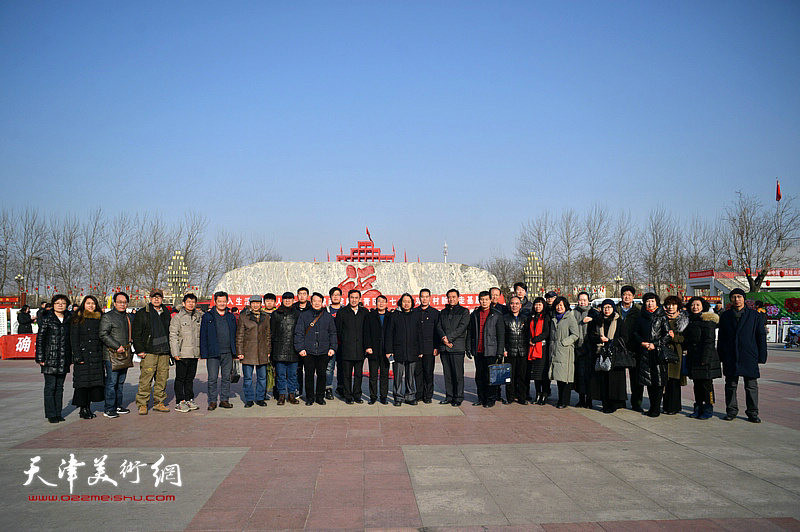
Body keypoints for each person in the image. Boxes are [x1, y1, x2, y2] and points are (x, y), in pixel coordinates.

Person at [718, 288, 767, 423]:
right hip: (731, 355)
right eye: (734, 297)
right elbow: (721, 337)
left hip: (749, 355)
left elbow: (760, 336)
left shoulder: (754, 315)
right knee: (730, 385)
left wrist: (762, 356)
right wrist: (720, 355)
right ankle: (731, 411)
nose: (736, 299)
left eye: (739, 297)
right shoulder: (726, 316)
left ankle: (752, 413)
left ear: (744, 299)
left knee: (751, 385)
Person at [131, 289, 172, 415]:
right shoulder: (142, 313)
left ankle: (159, 402)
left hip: (164, 351)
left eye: (159, 297)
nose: (156, 299)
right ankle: (142, 404)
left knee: (162, 378)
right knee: (146, 378)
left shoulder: (166, 313)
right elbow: (136, 334)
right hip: (149, 351)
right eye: (154, 297)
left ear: (162, 299)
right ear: (150, 298)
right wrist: (140, 350)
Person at [294, 292, 337, 406]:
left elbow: (333, 333)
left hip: (324, 350)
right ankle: (309, 398)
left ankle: (320, 397)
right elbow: (299, 333)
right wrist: (300, 348)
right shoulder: (304, 316)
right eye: (315, 301)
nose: (317, 303)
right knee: (309, 375)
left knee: (322, 375)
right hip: (308, 351)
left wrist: (332, 347)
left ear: (322, 302)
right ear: (311, 302)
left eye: (319, 301)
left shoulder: (327, 316)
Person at [632, 293, 670, 417]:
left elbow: (667, 334)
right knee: (648, 380)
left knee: (658, 381)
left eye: (652, 301)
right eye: (647, 301)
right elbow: (635, 333)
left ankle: (656, 408)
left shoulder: (662, 317)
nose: (650, 303)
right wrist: (642, 343)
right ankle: (652, 407)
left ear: (657, 303)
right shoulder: (641, 317)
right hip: (644, 353)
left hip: (657, 353)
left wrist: (655, 344)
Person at [683, 296, 721, 420]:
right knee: (696, 384)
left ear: (703, 307)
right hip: (693, 357)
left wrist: (705, 359)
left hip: (705, 358)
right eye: (693, 305)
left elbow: (709, 342)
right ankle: (698, 406)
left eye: (698, 305)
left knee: (707, 385)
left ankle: (708, 407)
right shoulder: (689, 321)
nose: (695, 307)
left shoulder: (707, 321)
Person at [588, 299, 629, 413]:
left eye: (609, 307)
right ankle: (605, 403)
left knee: (614, 381)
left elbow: (625, 338)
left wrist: (611, 341)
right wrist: (599, 339)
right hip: (601, 354)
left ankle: (614, 403)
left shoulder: (618, 321)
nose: (607, 310)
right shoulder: (598, 321)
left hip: (614, 355)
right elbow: (590, 336)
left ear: (613, 308)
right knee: (603, 380)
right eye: (605, 307)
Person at [35, 294, 71, 423]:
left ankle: (58, 412)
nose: (60, 305)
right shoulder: (47, 318)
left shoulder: (69, 319)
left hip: (63, 358)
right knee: (50, 386)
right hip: (49, 358)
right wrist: (40, 357)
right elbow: (40, 339)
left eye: (63, 303)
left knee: (60, 387)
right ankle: (51, 414)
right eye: (57, 303)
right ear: (53, 305)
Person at [200, 291, 238, 410]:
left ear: (227, 302)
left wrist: (235, 352)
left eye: (224, 301)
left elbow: (235, 334)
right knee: (212, 378)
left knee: (226, 377)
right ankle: (212, 401)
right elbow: (203, 335)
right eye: (219, 301)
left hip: (227, 352)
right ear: (215, 302)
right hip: (213, 352)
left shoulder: (231, 316)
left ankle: (224, 400)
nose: (222, 303)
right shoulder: (208, 316)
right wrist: (204, 352)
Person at [467, 291, 505, 408]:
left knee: (491, 376)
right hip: (478, 351)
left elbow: (501, 334)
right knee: (479, 376)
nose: (484, 302)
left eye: (486, 299)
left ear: (490, 300)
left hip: (491, 351)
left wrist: (499, 352)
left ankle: (490, 399)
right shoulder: (474, 314)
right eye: (482, 300)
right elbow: (470, 332)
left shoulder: (496, 315)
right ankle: (481, 398)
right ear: (479, 300)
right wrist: (468, 347)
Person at [69, 295, 104, 420]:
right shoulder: (77, 319)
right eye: (88, 303)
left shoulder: (100, 319)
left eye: (93, 303)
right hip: (83, 356)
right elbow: (74, 339)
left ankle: (88, 407)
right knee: (82, 384)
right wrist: (77, 356)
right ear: (83, 304)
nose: (91, 306)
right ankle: (83, 408)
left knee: (93, 384)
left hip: (95, 356)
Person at [99, 292, 132, 418]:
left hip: (125, 354)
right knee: (111, 382)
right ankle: (109, 408)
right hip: (111, 355)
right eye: (120, 302)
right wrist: (116, 346)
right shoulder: (108, 317)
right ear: (114, 303)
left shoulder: (127, 317)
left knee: (121, 382)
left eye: (124, 302)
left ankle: (118, 405)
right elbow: (103, 334)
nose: (122, 304)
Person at [236, 295, 272, 407]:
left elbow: (267, 335)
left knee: (262, 377)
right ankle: (249, 399)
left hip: (262, 351)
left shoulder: (265, 317)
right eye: (253, 303)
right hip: (248, 351)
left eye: (258, 303)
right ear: (250, 304)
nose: (255, 305)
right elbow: (240, 335)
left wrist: (268, 349)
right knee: (248, 378)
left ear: (261, 304)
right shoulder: (244, 317)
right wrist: (240, 351)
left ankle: (260, 398)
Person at [386, 293, 421, 406]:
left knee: (410, 375)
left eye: (408, 301)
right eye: (404, 301)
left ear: (412, 303)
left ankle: (410, 396)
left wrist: (420, 350)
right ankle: (398, 397)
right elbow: (389, 333)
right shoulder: (395, 315)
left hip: (412, 350)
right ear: (400, 302)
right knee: (398, 375)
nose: (406, 304)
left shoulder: (416, 315)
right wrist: (389, 350)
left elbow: (419, 333)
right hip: (398, 350)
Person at [170, 293, 203, 413]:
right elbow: (173, 336)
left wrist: (199, 352)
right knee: (180, 378)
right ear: (183, 303)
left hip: (194, 353)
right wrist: (175, 352)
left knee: (190, 378)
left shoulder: (198, 317)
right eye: (188, 301)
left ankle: (189, 399)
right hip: (182, 353)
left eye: (193, 302)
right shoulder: (177, 318)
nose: (191, 304)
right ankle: (180, 401)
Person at [436, 289, 470, 406]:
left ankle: (458, 397)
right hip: (445, 348)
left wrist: (449, 338)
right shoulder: (443, 312)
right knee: (448, 374)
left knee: (458, 374)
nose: (451, 299)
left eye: (454, 297)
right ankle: (449, 396)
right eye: (449, 297)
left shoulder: (464, 311)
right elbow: (438, 326)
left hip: (457, 347)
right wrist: (444, 339)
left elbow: (462, 327)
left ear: (458, 298)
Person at [336, 289, 368, 404]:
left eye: (356, 298)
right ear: (348, 298)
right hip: (346, 349)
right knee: (347, 375)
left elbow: (366, 330)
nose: (354, 300)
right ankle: (348, 396)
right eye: (352, 297)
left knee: (359, 375)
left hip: (360, 349)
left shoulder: (364, 312)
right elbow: (339, 330)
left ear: (359, 299)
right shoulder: (342, 312)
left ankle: (357, 395)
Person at [549, 296, 579, 408]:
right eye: (557, 305)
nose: (559, 307)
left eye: (561, 305)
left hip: (565, 351)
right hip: (555, 350)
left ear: (566, 306)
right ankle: (560, 399)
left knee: (565, 378)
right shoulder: (554, 318)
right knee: (558, 377)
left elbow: (575, 334)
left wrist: (564, 342)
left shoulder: (570, 318)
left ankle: (564, 401)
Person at [618, 285, 643, 411]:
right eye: (624, 294)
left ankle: (637, 402)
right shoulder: (615, 309)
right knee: (618, 376)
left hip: (634, 349)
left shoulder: (638, 311)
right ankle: (620, 400)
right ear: (621, 296)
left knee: (636, 378)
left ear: (633, 297)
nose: (626, 297)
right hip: (618, 348)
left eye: (629, 295)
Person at [573, 292, 599, 408]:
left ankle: (589, 399)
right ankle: (581, 398)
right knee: (579, 375)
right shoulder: (573, 313)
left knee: (589, 375)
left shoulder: (593, 312)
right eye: (580, 300)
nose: (582, 302)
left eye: (584, 300)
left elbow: (600, 321)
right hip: (577, 347)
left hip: (590, 348)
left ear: (588, 300)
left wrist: (592, 319)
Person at [662, 295, 687, 415]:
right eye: (668, 304)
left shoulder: (682, 320)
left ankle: (674, 407)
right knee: (665, 380)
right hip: (663, 352)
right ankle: (666, 406)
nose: (670, 307)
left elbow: (685, 338)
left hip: (676, 352)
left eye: (673, 305)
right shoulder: (662, 318)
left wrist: (674, 337)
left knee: (674, 380)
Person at [414, 288, 440, 404]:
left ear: (430, 298)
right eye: (422, 297)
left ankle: (428, 395)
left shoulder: (435, 313)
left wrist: (436, 347)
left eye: (426, 297)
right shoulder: (414, 312)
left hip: (430, 348)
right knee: (418, 372)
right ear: (419, 298)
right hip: (416, 349)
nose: (424, 299)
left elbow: (437, 331)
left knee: (428, 372)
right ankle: (419, 394)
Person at [502, 296, 529, 404]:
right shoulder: (505, 318)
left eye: (517, 303)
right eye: (512, 303)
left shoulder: (525, 319)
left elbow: (527, 335)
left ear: (520, 306)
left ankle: (522, 397)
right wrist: (503, 349)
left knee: (521, 375)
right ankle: (510, 397)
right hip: (509, 351)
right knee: (509, 376)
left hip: (522, 351)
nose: (514, 305)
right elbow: (502, 335)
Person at [365, 294, 391, 404]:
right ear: (376, 303)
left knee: (385, 375)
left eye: (383, 301)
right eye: (379, 301)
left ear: (386, 304)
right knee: (373, 375)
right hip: (373, 350)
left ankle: (383, 397)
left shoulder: (390, 316)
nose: (381, 303)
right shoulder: (370, 316)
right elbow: (366, 332)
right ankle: (373, 396)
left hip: (386, 351)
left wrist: (391, 350)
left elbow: (393, 333)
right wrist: (368, 346)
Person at [528, 297, 551, 405]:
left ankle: (544, 394)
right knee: (536, 374)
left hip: (542, 349)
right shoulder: (532, 317)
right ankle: (538, 394)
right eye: (536, 304)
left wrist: (535, 339)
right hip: (533, 349)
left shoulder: (546, 317)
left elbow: (546, 332)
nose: (537, 307)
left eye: (540, 305)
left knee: (543, 374)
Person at [293, 287, 311, 398]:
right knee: (297, 369)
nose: (302, 296)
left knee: (309, 370)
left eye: (304, 294)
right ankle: (297, 390)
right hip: (297, 343)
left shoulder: (312, 308)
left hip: (310, 344)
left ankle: (310, 392)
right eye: (300, 294)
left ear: (308, 296)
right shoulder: (293, 308)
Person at [327, 286, 344, 400]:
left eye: (338, 295)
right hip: (329, 345)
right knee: (329, 367)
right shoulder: (326, 311)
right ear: (330, 297)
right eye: (334, 295)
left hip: (343, 344)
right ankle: (328, 389)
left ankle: (341, 388)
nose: (336, 297)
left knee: (342, 367)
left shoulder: (345, 310)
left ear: (341, 297)